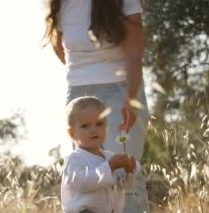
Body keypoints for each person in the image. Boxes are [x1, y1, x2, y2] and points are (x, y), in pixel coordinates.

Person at [43, 0, 150, 212]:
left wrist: (131, 98)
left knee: (124, 173)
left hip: (121, 90)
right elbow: (60, 46)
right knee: (89, 174)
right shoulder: (59, 3)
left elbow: (135, 51)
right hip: (77, 94)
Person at [62, 96, 140, 213]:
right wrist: (110, 167)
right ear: (72, 133)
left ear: (106, 127)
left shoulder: (109, 157)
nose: (94, 130)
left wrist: (130, 169)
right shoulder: (74, 159)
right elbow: (82, 184)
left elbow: (124, 186)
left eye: (99, 124)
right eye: (85, 126)